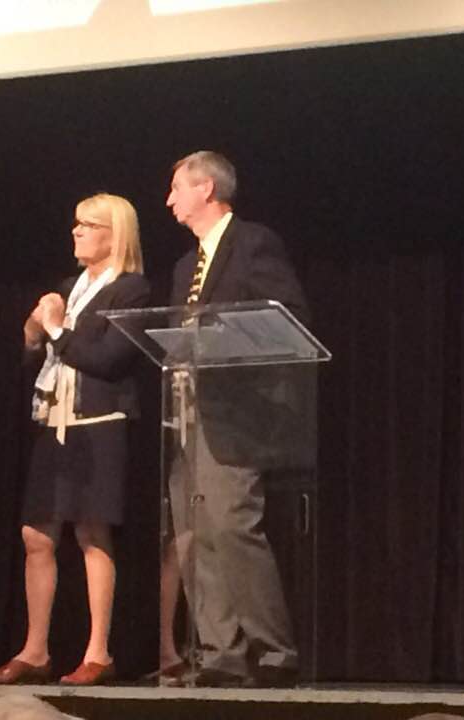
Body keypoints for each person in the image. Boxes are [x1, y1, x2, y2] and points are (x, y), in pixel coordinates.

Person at [0, 193, 150, 686]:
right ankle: (35, 650)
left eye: (87, 225)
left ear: (113, 234)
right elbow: (39, 362)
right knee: (36, 534)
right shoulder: (69, 287)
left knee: (92, 533)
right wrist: (34, 334)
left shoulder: (132, 291)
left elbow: (109, 360)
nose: (75, 232)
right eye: (75, 223)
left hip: (100, 423)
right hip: (54, 421)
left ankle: (98, 652)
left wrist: (55, 329)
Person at [159, 150, 310, 687]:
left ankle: (274, 649)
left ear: (206, 189)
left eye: (177, 187)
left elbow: (285, 317)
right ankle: (221, 651)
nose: (170, 199)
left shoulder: (253, 244)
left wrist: (220, 339)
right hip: (186, 409)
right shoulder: (183, 267)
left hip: (239, 410)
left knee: (231, 525)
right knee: (194, 534)